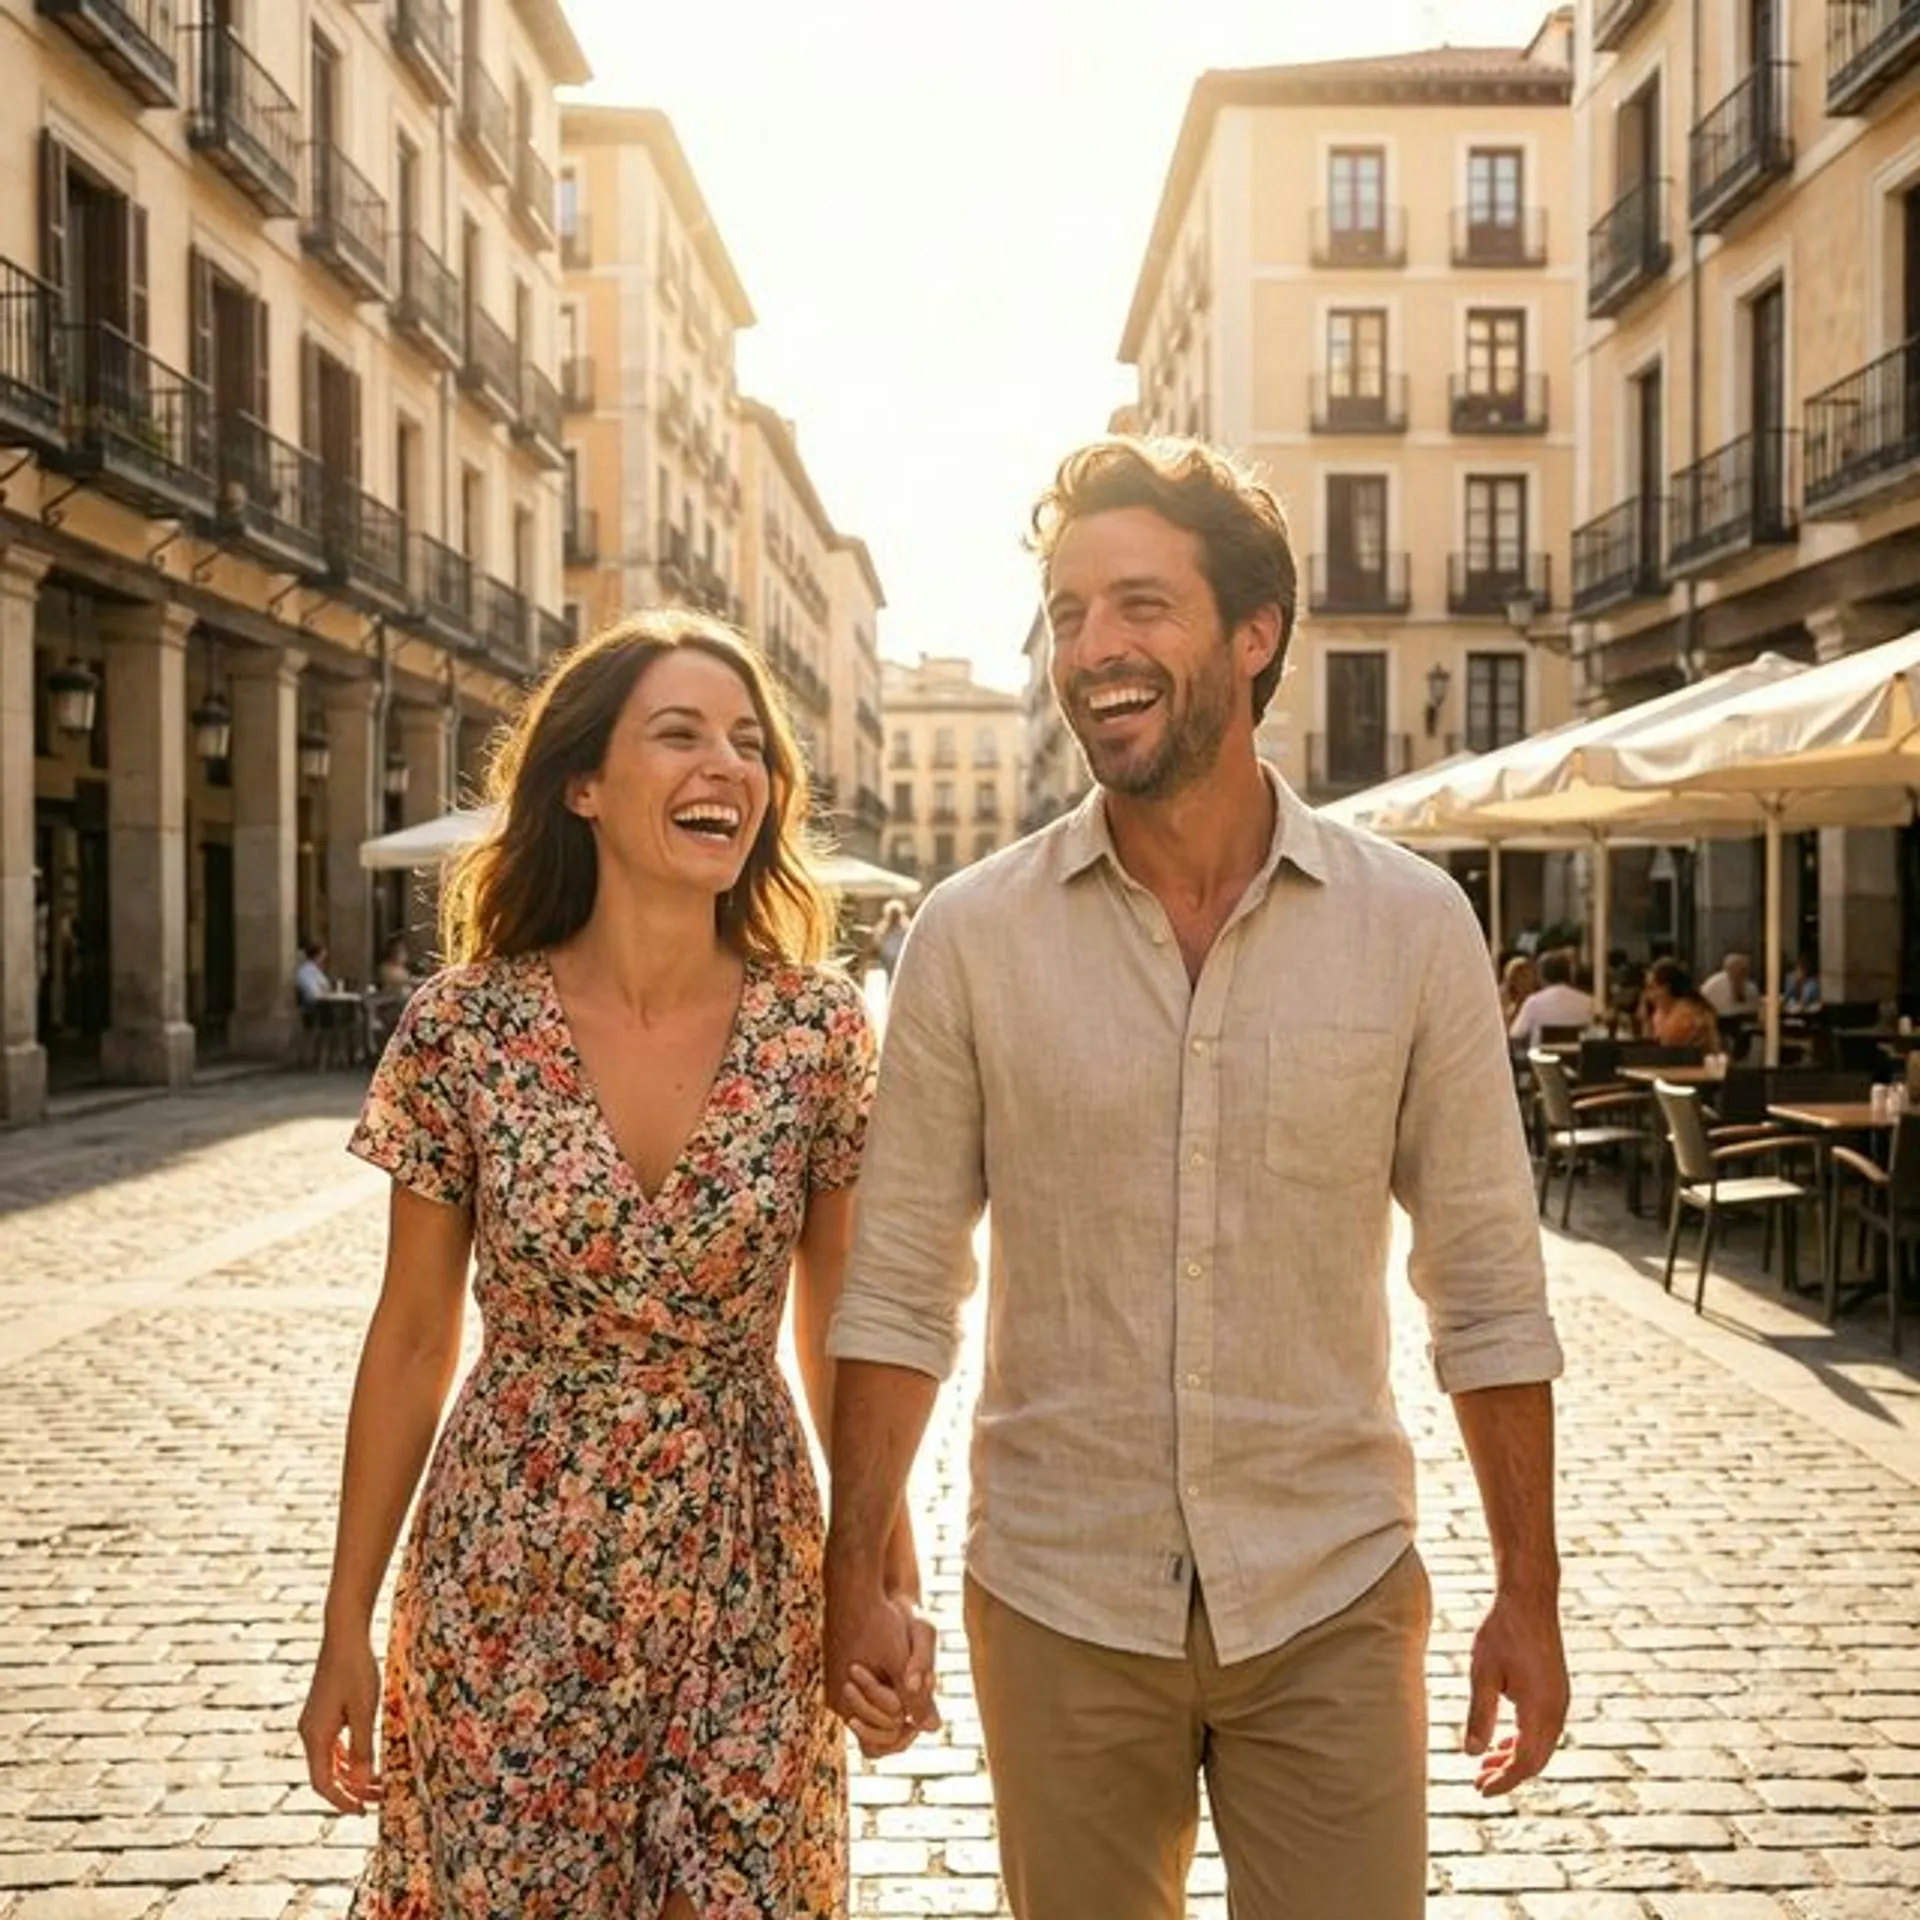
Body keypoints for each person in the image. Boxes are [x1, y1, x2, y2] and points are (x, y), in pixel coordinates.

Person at [823, 438, 1568, 1920]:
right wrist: (857, 1567)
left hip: (1333, 1591)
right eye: (1069, 610)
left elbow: (1485, 1283)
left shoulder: (1415, 927)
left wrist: (1528, 1594)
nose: (1093, 647)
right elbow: (902, 1279)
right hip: (1059, 1596)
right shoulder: (972, 936)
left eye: (1140, 606)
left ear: (1253, 633)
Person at [299, 612, 929, 1920]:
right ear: (582, 783)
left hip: (747, 1560)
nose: (729, 767)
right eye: (682, 734)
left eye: (750, 744)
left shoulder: (816, 1029)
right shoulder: (462, 1025)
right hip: (510, 1573)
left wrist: (879, 1575)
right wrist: (344, 1623)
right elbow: (413, 1338)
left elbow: (841, 1329)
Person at [1508, 948, 1595, 1049]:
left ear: (1542, 976)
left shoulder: (1534, 1002)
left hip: (1541, 1062)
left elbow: (1516, 1034)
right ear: (1570, 974)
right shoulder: (1588, 1002)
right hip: (1578, 1060)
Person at [1644, 957, 1721, 1052]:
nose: (1648, 995)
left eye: (1653, 987)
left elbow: (1667, 1049)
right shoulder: (1662, 1012)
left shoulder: (1687, 1012)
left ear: (1668, 988)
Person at [859, 899, 912, 983]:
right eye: (893, 913)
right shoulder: (882, 927)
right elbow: (874, 943)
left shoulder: (907, 927)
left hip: (902, 960)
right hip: (886, 960)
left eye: (896, 913)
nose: (894, 916)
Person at [1700, 951, 1761, 1020]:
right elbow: (1702, 1006)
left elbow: (1755, 1008)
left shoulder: (1751, 988)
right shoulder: (1713, 985)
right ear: (1727, 969)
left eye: (1744, 970)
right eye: (1736, 969)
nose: (1740, 973)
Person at [1499, 953, 1541, 1029]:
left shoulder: (1538, 998)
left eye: (1526, 975)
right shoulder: (1502, 996)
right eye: (1520, 975)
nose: (1524, 980)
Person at [294, 940, 333, 1009]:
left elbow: (326, 986)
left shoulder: (317, 970)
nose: (323, 961)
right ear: (316, 957)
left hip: (320, 1001)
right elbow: (312, 992)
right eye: (322, 957)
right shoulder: (305, 970)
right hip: (313, 1005)